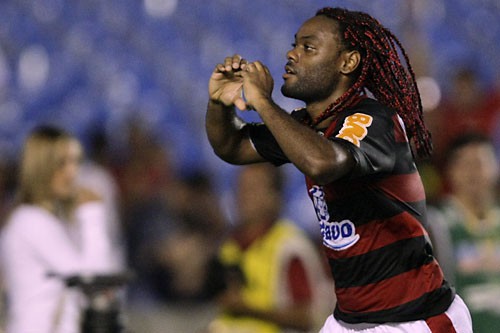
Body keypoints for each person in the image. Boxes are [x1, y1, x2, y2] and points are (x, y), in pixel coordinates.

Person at [205, 6, 472, 333]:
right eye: (294, 44)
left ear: (348, 62)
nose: (292, 54)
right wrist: (219, 103)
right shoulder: (306, 128)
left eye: (308, 47)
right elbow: (231, 146)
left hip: (414, 320)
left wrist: (262, 101)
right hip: (350, 321)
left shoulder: (374, 121)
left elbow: (325, 163)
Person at [0, 126, 119, 333]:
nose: (73, 172)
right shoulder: (31, 220)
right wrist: (92, 214)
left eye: (76, 162)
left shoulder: (53, 220)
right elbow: (92, 281)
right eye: (62, 163)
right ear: (41, 167)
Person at [207, 163, 333, 333]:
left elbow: (308, 317)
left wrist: (249, 310)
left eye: (254, 189)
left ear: (275, 197)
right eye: (241, 187)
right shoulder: (228, 247)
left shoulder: (290, 247)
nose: (244, 196)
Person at [427, 133, 500, 333]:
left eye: (479, 163)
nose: (473, 173)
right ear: (449, 171)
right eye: (464, 164)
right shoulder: (434, 224)